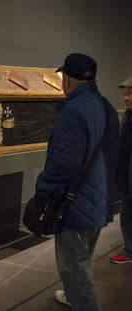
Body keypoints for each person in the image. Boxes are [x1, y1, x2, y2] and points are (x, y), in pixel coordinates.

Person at [35, 53, 119, 310]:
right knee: (83, 259)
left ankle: (84, 303)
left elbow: (64, 165)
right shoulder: (105, 105)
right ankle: (73, 298)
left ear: (68, 81)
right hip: (98, 199)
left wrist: (43, 189)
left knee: (74, 268)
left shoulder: (72, 111)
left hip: (75, 203)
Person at [110, 77, 132, 264]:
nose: (125, 98)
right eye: (125, 93)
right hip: (126, 177)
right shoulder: (128, 115)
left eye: (130, 93)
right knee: (127, 213)